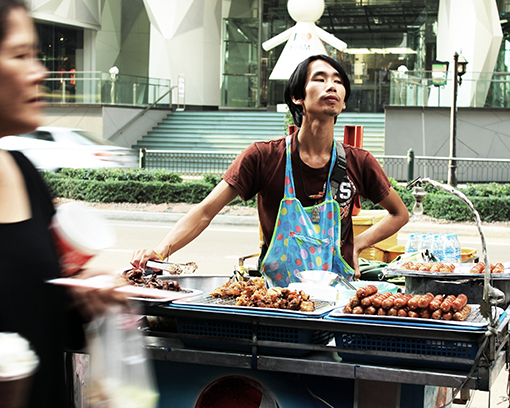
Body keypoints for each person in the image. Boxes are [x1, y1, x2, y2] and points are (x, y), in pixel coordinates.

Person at [131, 54, 409, 285]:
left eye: (338, 81)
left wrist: (356, 245)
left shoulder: (358, 161)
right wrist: (160, 250)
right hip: (277, 298)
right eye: (320, 79)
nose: (332, 86)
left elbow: (399, 214)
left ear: (344, 101)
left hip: (338, 294)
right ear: (297, 96)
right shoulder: (263, 157)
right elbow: (205, 211)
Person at [0, 1, 126, 407]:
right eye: (20, 55)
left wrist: (89, 290)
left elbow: (52, 283)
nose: (40, 70)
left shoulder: (23, 173)